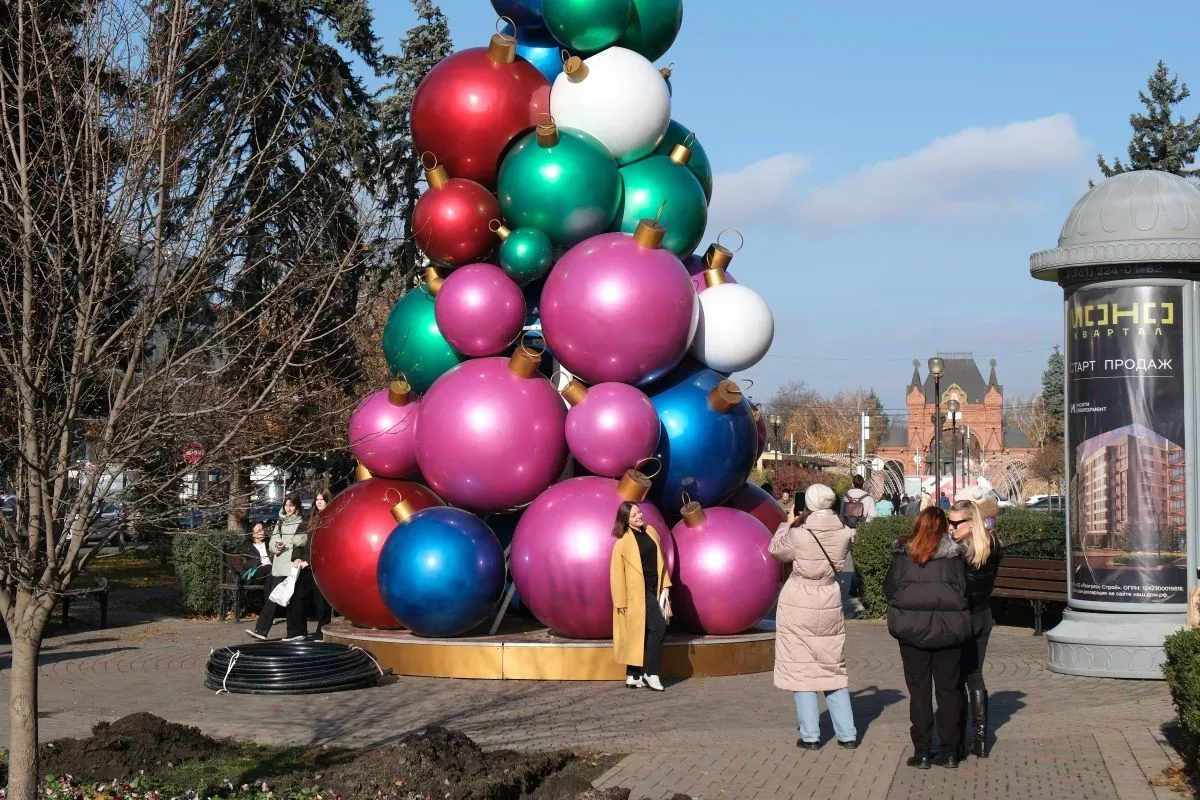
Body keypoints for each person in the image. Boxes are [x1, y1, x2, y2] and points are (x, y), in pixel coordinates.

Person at [770, 484, 859, 750]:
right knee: (832, 666)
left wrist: (786, 524)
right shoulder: (843, 532)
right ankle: (847, 734)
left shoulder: (798, 533)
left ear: (808, 503)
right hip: (829, 597)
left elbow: (776, 550)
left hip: (799, 598)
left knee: (802, 669)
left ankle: (810, 736)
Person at [885, 507, 971, 770]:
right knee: (949, 690)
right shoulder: (956, 555)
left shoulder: (902, 553)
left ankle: (922, 752)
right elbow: (965, 588)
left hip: (912, 631)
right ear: (944, 526)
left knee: (919, 692)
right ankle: (950, 752)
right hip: (948, 631)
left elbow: (890, 587)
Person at [949, 495, 1001, 758]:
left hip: (963, 619)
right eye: (949, 522)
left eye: (955, 523)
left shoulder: (958, 552)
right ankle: (980, 740)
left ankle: (956, 740)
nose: (950, 528)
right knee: (975, 676)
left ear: (971, 522)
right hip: (983, 615)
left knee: (956, 678)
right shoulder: (992, 544)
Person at [609, 501, 672, 691]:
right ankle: (651, 673)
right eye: (634, 515)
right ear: (626, 519)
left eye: (639, 512)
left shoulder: (650, 531)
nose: (639, 516)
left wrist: (666, 586)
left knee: (640, 631)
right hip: (636, 593)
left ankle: (633, 675)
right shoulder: (622, 542)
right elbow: (616, 573)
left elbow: (660, 561)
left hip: (654, 588)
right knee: (658, 627)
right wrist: (620, 601)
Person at [247, 493, 306, 640]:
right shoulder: (280, 522)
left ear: (297, 506)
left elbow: (304, 539)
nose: (288, 508)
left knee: (293, 601)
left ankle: (296, 633)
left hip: (293, 566)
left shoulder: (302, 522)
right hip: (279, 567)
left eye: (291, 505)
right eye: (286, 505)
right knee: (273, 598)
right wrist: (277, 546)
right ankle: (261, 630)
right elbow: (272, 543)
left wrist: (296, 540)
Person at [286, 489, 334, 640]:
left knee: (322, 602)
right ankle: (297, 631)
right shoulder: (308, 518)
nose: (319, 502)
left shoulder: (331, 519)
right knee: (297, 596)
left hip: (320, 567)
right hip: (305, 566)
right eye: (317, 499)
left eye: (322, 499)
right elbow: (298, 540)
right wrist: (296, 558)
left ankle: (322, 632)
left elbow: (328, 545)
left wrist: (310, 560)